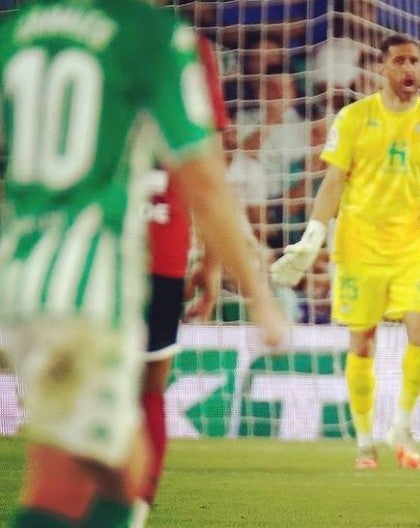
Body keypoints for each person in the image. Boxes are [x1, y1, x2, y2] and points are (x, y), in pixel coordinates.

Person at [0, 2, 286, 527]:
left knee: (125, 467)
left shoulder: (18, 30)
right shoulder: (154, 36)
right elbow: (203, 176)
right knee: (58, 482)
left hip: (18, 275)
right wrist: (258, 293)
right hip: (87, 282)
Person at [271, 33, 420, 470]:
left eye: (416, 61)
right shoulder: (354, 118)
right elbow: (332, 183)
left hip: (411, 248)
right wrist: (314, 234)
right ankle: (364, 441)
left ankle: (402, 426)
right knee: (362, 343)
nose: (410, 69)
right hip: (358, 249)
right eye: (401, 61)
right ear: (382, 68)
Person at [131, 32, 230, 528]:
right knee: (149, 384)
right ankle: (136, 506)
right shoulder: (184, 49)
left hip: (82, 245)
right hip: (158, 249)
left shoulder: (46, 34)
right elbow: (207, 166)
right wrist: (211, 262)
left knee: (87, 387)